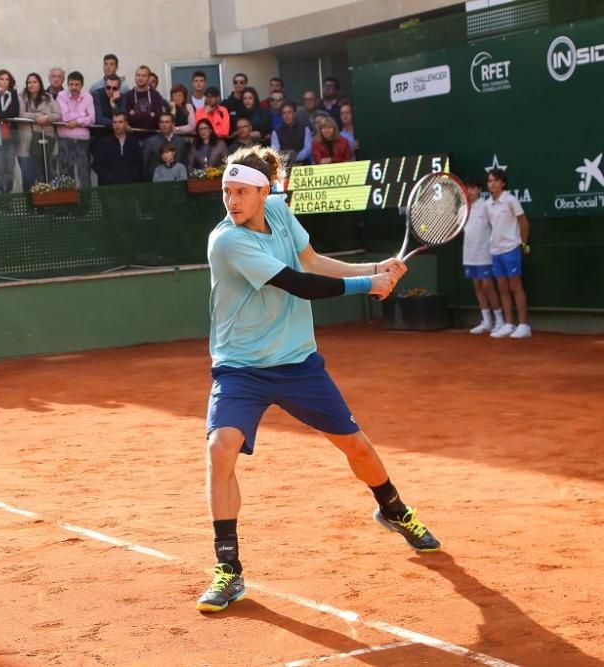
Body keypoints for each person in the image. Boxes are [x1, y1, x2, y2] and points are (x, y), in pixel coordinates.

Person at [196, 145, 441, 613]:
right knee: (219, 446)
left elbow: (311, 260)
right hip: (241, 367)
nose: (231, 200)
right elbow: (297, 283)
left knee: (356, 446)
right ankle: (228, 568)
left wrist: (373, 269)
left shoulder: (279, 213)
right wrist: (366, 286)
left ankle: (394, 510)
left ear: (264, 190)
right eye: (227, 191)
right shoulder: (226, 241)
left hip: (296, 362)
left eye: (241, 191)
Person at [486, 168, 532, 339]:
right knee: (503, 288)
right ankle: (509, 324)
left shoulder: (511, 200)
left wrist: (523, 243)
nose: (493, 183)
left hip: (511, 249)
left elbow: (524, 223)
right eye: (490, 181)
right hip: (495, 251)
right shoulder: (487, 205)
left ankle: (524, 325)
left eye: (496, 180)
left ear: (503, 183)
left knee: (515, 287)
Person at [461, 177, 504, 335]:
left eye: (473, 188)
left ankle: (500, 321)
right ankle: (487, 321)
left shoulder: (486, 206)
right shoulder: (463, 209)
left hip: (485, 254)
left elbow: (496, 226)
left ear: (479, 190)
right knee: (477, 287)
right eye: (467, 188)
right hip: (469, 255)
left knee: (488, 286)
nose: (470, 192)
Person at [16, 73, 60, 192]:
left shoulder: (48, 97)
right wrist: (38, 116)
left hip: (46, 140)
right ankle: (28, 206)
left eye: (35, 82)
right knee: (28, 177)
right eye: (29, 82)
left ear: (40, 84)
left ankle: (44, 207)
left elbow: (58, 115)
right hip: (26, 143)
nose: (32, 84)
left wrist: (47, 118)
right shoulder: (21, 96)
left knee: (45, 176)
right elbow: (20, 114)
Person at [56, 71, 95, 188]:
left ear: (82, 85)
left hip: (82, 142)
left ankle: (86, 204)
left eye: (77, 84)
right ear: (67, 84)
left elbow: (92, 118)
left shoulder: (88, 96)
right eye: (71, 84)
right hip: (65, 140)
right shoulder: (61, 96)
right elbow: (65, 116)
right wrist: (83, 115)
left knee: (84, 173)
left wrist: (77, 122)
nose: (74, 87)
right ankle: (68, 205)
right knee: (66, 174)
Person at [0, 69, 20, 193]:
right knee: (0, 167)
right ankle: (2, 195)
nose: (4, 82)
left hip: (11, 134)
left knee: (9, 167)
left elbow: (14, 112)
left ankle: (9, 192)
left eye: (7, 79)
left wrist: (0, 115)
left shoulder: (13, 94)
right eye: (1, 79)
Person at [90, 111, 142, 186]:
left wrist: (132, 178)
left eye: (120, 122)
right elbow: (96, 165)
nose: (117, 125)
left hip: (130, 185)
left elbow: (139, 164)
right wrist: (109, 178)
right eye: (114, 122)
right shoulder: (104, 142)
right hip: (108, 187)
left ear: (126, 123)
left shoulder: (133, 142)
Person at [124, 65, 167, 131]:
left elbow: (158, 116)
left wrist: (135, 114)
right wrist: (150, 115)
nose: (140, 78)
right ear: (135, 77)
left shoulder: (155, 95)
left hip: (152, 135)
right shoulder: (128, 95)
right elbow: (126, 117)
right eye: (138, 75)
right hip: (133, 136)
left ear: (148, 78)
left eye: (144, 76)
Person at [270, 102, 312, 166]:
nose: (287, 115)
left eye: (289, 112)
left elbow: (308, 149)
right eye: (284, 113)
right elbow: (276, 151)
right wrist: (288, 158)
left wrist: (296, 158)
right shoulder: (275, 132)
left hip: (303, 164)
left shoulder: (305, 129)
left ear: (294, 113)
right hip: (284, 166)